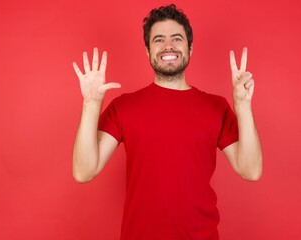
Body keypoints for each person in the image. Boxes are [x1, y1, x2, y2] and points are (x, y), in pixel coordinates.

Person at [72, 4, 262, 240]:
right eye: (159, 40)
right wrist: (90, 104)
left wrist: (243, 106)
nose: (168, 46)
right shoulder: (124, 107)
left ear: (190, 48)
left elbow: (251, 170)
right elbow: (83, 171)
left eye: (176, 39)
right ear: (148, 50)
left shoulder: (216, 107)